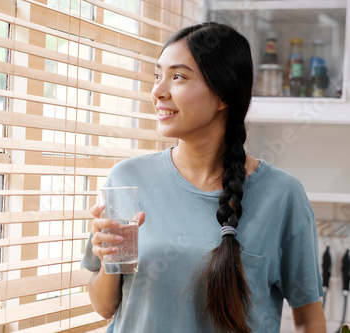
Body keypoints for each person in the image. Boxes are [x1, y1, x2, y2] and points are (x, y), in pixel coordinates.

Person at [81, 22, 326, 333]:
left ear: (224, 95)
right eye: (158, 75)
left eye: (178, 77)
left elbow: (308, 319)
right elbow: (106, 307)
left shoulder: (282, 195)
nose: (158, 91)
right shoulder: (127, 178)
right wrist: (107, 260)